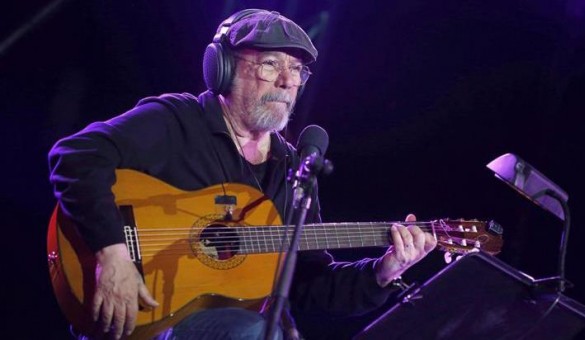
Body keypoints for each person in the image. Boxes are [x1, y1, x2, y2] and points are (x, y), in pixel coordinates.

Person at [48, 8, 436, 340]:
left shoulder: (293, 168)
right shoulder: (179, 120)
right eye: (271, 64)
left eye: (297, 69)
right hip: (145, 316)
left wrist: (383, 271)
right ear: (223, 68)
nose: (287, 81)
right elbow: (75, 156)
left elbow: (305, 284)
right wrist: (112, 253)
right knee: (253, 332)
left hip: (228, 324)